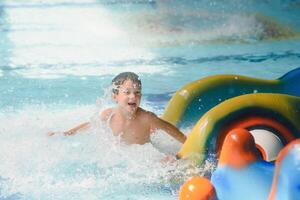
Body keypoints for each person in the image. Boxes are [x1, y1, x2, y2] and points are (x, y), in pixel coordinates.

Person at [49, 72, 186, 145]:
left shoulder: (146, 117)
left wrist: (187, 143)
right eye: (127, 92)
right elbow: (90, 125)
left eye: (137, 92)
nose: (133, 96)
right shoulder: (109, 115)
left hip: (144, 153)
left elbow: (168, 128)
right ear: (115, 96)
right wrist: (66, 133)